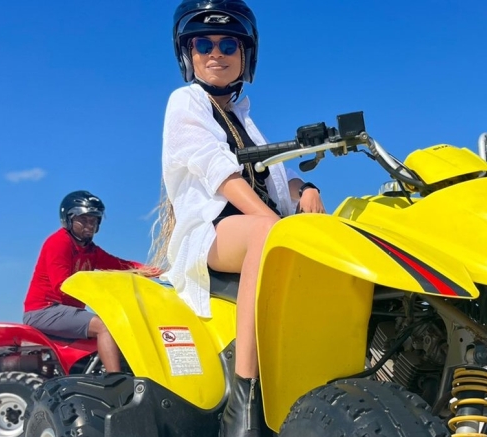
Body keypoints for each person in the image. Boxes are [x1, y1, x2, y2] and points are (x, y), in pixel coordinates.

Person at [149, 1, 326, 436]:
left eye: (229, 43)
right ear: (186, 54)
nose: (217, 52)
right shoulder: (186, 102)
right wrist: (279, 226)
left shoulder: (245, 119)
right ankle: (244, 397)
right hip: (214, 234)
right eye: (203, 43)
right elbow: (221, 173)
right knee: (267, 231)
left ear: (246, 54)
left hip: (257, 225)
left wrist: (306, 190)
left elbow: (270, 177)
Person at [23, 190, 151, 374]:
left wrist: (154, 272)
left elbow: (120, 265)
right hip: (43, 310)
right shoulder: (58, 242)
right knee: (105, 326)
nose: (89, 225)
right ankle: (115, 380)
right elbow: (63, 284)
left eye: (94, 220)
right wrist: (102, 291)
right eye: (83, 220)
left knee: (124, 324)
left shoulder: (90, 250)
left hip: (65, 312)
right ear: (68, 218)